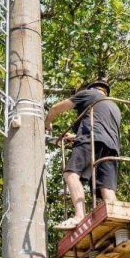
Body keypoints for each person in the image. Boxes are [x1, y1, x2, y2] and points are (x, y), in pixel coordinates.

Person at [45, 80, 121, 230]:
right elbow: (100, 126)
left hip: (91, 139)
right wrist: (76, 136)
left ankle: (79, 216)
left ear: (92, 89)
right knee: (106, 187)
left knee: (71, 175)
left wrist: (47, 122)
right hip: (111, 147)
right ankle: (116, 219)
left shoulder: (89, 94)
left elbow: (56, 108)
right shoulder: (114, 107)